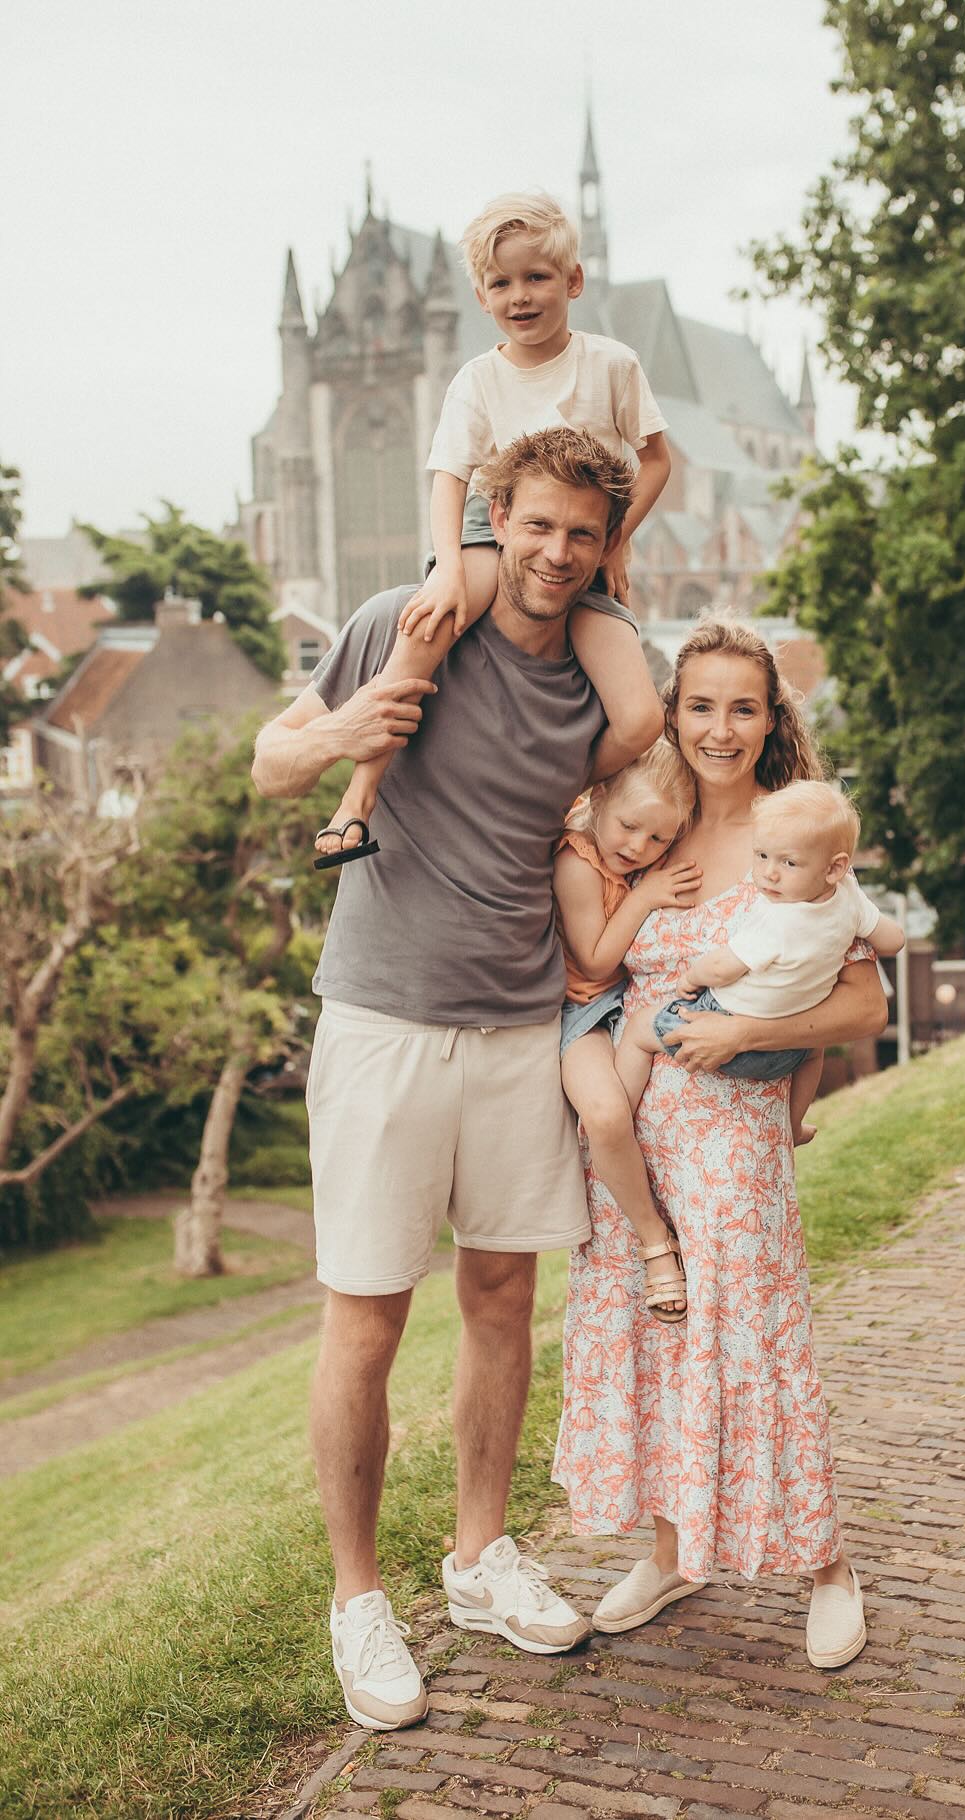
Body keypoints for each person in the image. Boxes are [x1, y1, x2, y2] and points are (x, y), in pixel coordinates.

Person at [251, 427, 656, 1731]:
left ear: (605, 545)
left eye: (581, 532)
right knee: (366, 1316)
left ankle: (480, 1557)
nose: (556, 552)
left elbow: (653, 781)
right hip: (384, 1022)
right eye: (536, 525)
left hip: (518, 1026)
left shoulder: (600, 674)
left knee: (500, 1297)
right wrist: (339, 734)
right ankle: (357, 1600)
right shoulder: (403, 620)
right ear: (494, 521)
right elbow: (270, 760)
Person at [552, 617, 890, 1669]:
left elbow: (866, 1004)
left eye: (743, 708)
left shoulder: (793, 835)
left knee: (753, 1345)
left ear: (770, 718)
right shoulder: (644, 823)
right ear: (673, 710)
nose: (720, 729)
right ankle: (672, 1551)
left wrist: (747, 1035)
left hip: (734, 1137)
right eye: (700, 705)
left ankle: (824, 1563)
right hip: (636, 1135)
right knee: (655, 1344)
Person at [315, 190, 670, 865]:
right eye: (501, 284)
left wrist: (614, 542)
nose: (520, 296)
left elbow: (656, 462)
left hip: (581, 539)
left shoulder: (613, 365)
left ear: (573, 280)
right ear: (479, 296)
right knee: (426, 629)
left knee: (642, 717)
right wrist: (449, 567)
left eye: (536, 277)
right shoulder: (477, 380)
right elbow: (448, 479)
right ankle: (357, 798)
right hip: (495, 527)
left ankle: (550, 797)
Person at [616, 779, 906, 1145]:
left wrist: (692, 977)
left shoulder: (777, 918)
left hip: (729, 1029)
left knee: (639, 1030)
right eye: (762, 856)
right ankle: (793, 1125)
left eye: (788, 862)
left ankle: (617, 1121)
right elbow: (893, 940)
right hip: (790, 1050)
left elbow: (723, 967)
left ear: (834, 868)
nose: (769, 873)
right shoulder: (849, 897)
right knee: (814, 1054)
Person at [553, 740, 699, 1320]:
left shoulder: (641, 856)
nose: (639, 846)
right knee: (607, 1115)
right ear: (599, 797)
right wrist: (646, 897)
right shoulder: (578, 862)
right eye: (629, 827)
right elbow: (593, 961)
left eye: (659, 838)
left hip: (629, 1002)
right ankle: (654, 1242)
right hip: (583, 1010)